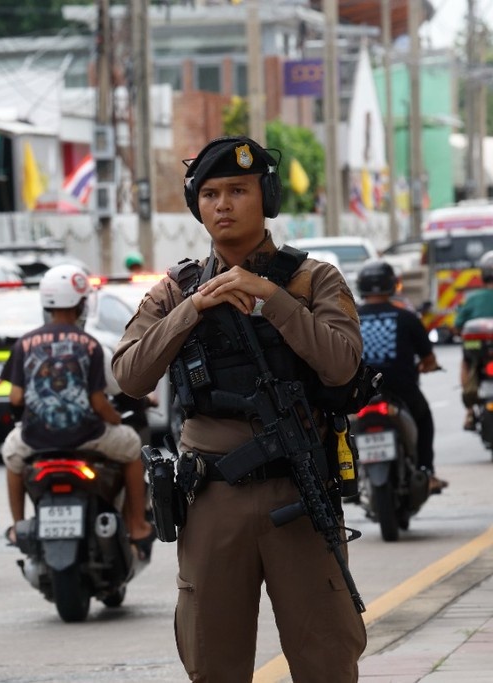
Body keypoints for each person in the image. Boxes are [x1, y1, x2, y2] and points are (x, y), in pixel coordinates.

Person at [113, 135, 367, 681]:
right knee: (214, 663)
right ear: (196, 205)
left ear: (266, 197)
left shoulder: (313, 279)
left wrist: (270, 299)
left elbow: (342, 365)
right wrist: (193, 312)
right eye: (209, 194)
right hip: (212, 500)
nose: (222, 204)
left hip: (298, 495)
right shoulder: (178, 289)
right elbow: (130, 375)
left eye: (237, 190)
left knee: (326, 661)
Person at [0, 264, 154, 559]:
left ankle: (18, 525)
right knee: (133, 445)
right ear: (81, 303)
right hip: (87, 437)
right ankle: (136, 523)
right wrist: (116, 419)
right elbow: (99, 403)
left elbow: (16, 397)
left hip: (35, 440)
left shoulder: (25, 343)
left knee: (10, 454)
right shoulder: (91, 345)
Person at [357, 260, 445, 492]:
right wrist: (428, 365)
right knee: (424, 419)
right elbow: (428, 358)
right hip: (401, 390)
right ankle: (427, 471)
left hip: (358, 392)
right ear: (392, 285)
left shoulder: (350, 317)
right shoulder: (406, 317)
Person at [455, 250, 493, 430]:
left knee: (466, 362)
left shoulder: (473, 299)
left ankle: (470, 411)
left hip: (479, 350)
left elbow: (457, 326)